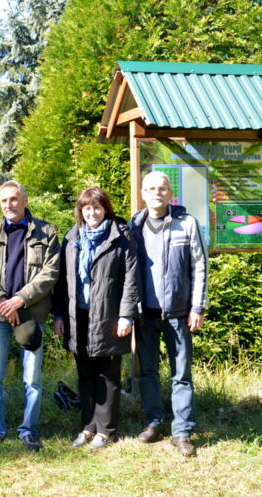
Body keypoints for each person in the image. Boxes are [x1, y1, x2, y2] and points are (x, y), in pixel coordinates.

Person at [0, 180, 60, 452]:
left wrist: (21, 299)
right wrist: (1, 300)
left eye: (13, 199)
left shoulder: (47, 232)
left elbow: (50, 272)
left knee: (32, 378)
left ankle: (28, 429)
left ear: (25, 200)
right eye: (3, 201)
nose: (8, 205)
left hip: (30, 314)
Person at [52, 188, 139, 450]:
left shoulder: (121, 237)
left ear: (106, 209)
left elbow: (131, 280)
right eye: (87, 208)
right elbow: (62, 281)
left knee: (108, 374)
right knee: (85, 374)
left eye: (97, 207)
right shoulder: (71, 238)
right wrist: (59, 315)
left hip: (109, 315)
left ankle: (106, 430)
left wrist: (126, 316)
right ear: (80, 211)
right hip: (77, 315)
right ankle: (88, 427)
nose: (92, 213)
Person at [129, 170, 208, 457]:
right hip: (145, 314)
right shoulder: (134, 226)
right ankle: (154, 421)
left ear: (170, 192)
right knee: (147, 371)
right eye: (151, 188)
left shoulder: (186, 223)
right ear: (142, 193)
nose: (157, 193)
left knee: (182, 375)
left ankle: (182, 430)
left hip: (178, 313)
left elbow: (199, 265)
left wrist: (197, 307)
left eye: (162, 188)